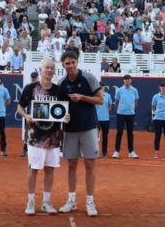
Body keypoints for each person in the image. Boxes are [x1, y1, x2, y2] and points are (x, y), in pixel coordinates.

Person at [17, 58, 68, 215]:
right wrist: (26, 115)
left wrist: (66, 117)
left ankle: (46, 202)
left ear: (54, 71)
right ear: (40, 69)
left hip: (54, 137)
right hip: (35, 137)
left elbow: (64, 111)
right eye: (46, 68)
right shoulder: (30, 88)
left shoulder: (59, 90)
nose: (49, 71)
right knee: (33, 169)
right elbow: (20, 107)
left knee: (50, 170)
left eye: (52, 68)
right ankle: (31, 201)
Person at [58, 51, 103, 217]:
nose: (70, 66)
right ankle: (71, 200)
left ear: (77, 62)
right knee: (71, 166)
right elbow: (59, 108)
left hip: (89, 127)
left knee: (90, 164)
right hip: (70, 130)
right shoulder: (61, 83)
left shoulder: (89, 78)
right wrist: (63, 116)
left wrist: (82, 97)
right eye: (67, 63)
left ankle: (90, 201)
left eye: (73, 62)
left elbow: (100, 100)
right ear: (63, 65)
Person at [112, 74, 139, 159]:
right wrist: (119, 110)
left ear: (131, 80)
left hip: (131, 115)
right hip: (120, 114)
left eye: (128, 79)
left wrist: (132, 110)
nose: (127, 81)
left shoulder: (134, 90)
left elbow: (136, 101)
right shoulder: (119, 90)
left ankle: (131, 152)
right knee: (119, 132)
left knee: (130, 133)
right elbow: (116, 102)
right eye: (125, 79)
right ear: (123, 81)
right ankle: (116, 151)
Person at [151, 82, 165, 160]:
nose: (163, 88)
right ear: (159, 88)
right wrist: (158, 113)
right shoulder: (155, 96)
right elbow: (153, 106)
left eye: (164, 87)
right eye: (162, 87)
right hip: (157, 119)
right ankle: (156, 153)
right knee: (157, 136)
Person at [21, 71, 39, 157]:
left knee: (39, 131)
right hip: (30, 113)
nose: (34, 78)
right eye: (32, 77)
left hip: (40, 114)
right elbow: (23, 101)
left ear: (38, 77)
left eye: (35, 77)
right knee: (27, 132)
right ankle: (25, 149)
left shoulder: (41, 87)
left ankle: (37, 150)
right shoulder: (27, 87)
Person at [95, 82, 112, 158]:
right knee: (94, 137)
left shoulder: (108, 96)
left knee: (105, 137)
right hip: (96, 120)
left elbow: (110, 106)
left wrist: (105, 113)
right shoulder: (94, 95)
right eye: (100, 86)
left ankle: (104, 153)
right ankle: (95, 152)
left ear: (104, 87)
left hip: (105, 119)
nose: (101, 88)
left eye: (102, 86)